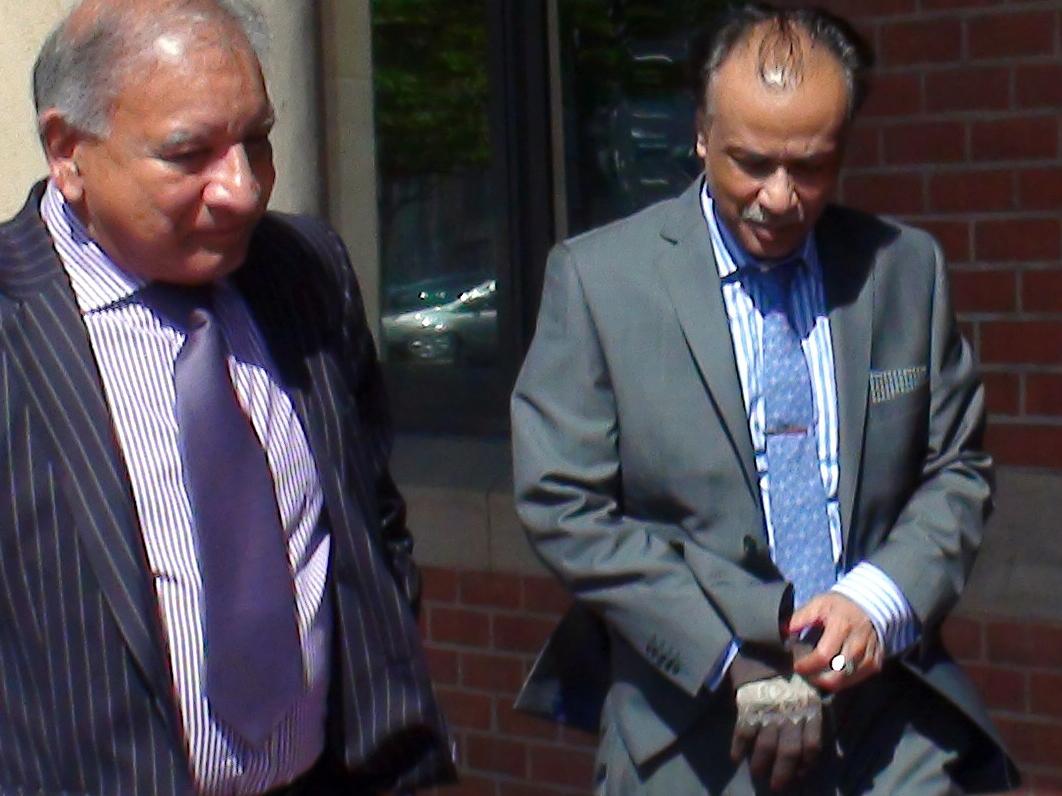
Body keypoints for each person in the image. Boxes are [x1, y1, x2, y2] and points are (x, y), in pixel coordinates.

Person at [512, 4, 1018, 793]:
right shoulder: (601, 282)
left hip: (887, 728)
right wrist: (730, 662)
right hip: (690, 729)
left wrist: (877, 601)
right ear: (701, 135)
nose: (779, 198)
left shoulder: (903, 270)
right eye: (751, 163)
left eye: (810, 167)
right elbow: (563, 502)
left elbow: (956, 467)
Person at [0, 1, 454, 793]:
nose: (243, 190)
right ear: (68, 152)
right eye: (190, 154)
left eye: (258, 142)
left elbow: (373, 517)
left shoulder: (305, 269)